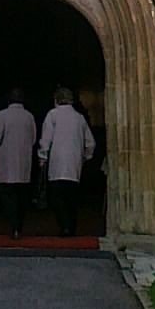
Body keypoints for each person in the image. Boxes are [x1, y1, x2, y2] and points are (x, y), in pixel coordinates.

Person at [38, 85, 95, 237]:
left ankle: (64, 226)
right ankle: (71, 226)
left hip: (57, 164)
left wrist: (42, 156)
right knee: (71, 198)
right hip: (74, 165)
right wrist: (85, 157)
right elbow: (90, 143)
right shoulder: (79, 118)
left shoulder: (53, 115)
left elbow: (46, 138)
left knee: (57, 197)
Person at [0, 87, 36, 239]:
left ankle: (13, 225)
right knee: (22, 195)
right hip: (24, 162)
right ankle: (19, 226)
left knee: (8, 195)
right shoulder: (29, 116)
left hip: (7, 162)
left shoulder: (2, 115)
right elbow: (33, 138)